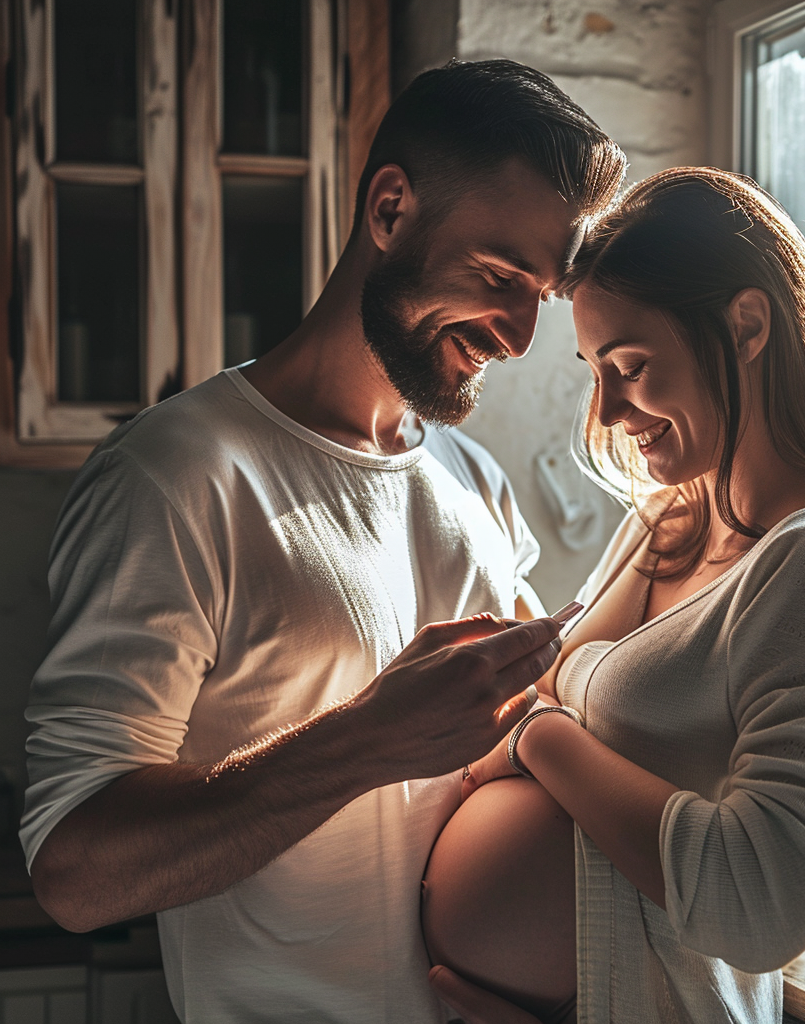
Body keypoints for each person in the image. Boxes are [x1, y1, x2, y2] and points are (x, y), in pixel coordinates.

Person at [19, 60, 626, 1023]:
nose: (517, 336)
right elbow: (74, 873)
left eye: (539, 298)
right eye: (499, 277)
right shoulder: (177, 475)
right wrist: (368, 740)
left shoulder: (477, 486)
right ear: (390, 211)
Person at [420, 167, 805, 1024]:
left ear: (746, 325)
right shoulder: (669, 519)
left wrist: (541, 739)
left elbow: (767, 905)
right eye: (595, 370)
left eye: (631, 365)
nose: (606, 408)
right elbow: (542, 684)